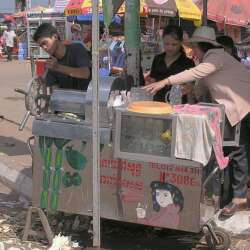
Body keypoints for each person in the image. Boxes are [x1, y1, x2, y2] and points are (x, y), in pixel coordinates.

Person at [143, 26, 250, 219]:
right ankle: (225, 196)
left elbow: (197, 73)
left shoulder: (215, 57)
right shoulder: (208, 62)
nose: (191, 51)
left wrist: (165, 82)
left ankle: (239, 198)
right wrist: (189, 93)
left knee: (238, 151)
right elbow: (199, 87)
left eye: (193, 47)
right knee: (231, 152)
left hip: (243, 105)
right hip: (235, 106)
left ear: (200, 46)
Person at [33, 23, 91, 91]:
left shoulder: (77, 49)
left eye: (45, 43)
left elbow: (85, 73)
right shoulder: (51, 63)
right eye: (41, 46)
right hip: (66, 100)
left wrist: (58, 67)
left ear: (55, 37)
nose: (44, 47)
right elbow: (55, 92)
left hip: (87, 98)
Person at [145, 25, 195, 103]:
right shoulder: (158, 59)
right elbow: (153, 80)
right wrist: (149, 80)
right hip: (157, 103)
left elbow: (190, 87)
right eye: (166, 44)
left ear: (181, 42)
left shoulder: (188, 62)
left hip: (178, 106)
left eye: (174, 44)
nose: (170, 48)